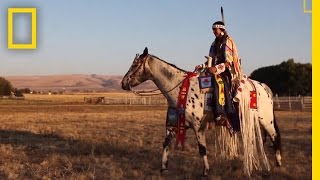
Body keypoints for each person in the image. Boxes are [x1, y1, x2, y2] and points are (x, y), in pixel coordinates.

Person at [195, 21, 242, 132]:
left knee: (218, 81)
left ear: (221, 29)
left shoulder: (228, 42)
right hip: (215, 70)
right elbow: (210, 60)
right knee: (201, 81)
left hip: (227, 71)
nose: (213, 32)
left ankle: (222, 113)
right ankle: (207, 113)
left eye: (215, 30)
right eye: (213, 30)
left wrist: (216, 68)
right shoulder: (213, 44)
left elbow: (228, 62)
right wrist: (202, 66)